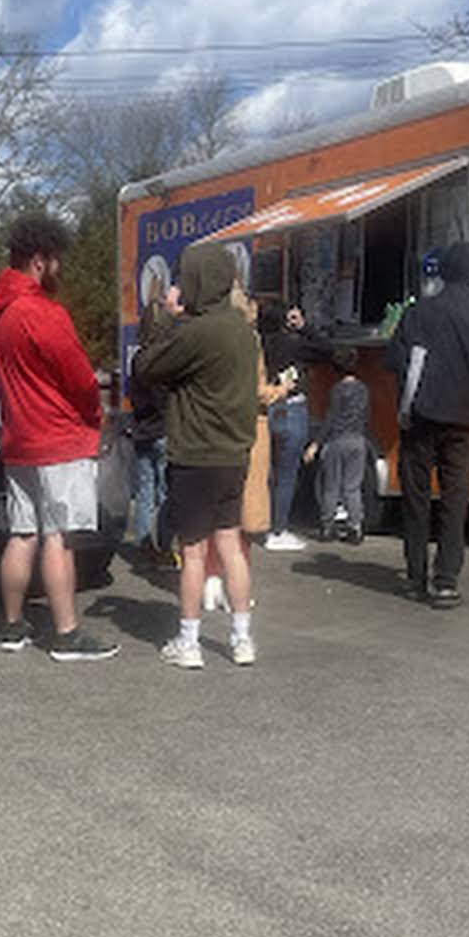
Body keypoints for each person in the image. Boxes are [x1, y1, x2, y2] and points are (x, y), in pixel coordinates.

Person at [0, 215, 119, 662]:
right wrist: (95, 415)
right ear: (40, 261)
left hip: (19, 438)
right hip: (58, 438)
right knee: (59, 537)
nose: (60, 269)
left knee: (22, 533)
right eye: (57, 260)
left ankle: (12, 625)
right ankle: (66, 633)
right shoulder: (42, 312)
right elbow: (80, 378)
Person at [133, 240, 259, 667]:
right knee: (231, 546)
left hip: (195, 456)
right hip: (234, 454)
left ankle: (189, 643)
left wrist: (168, 319)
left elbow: (147, 366)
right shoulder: (242, 330)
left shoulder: (197, 332)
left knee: (193, 552)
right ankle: (242, 638)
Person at [386, 240, 469, 608]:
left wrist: (406, 409)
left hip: (419, 420)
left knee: (415, 499)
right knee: (455, 501)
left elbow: (398, 366)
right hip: (463, 424)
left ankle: (415, 578)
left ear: (442, 272)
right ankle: (446, 582)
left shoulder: (417, 313)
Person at [203, 287, 291, 612]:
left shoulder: (210, 337)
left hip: (216, 432)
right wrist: (281, 390)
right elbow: (255, 391)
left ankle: (210, 581)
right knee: (245, 516)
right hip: (250, 431)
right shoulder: (248, 340)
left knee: (217, 512)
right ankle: (235, 590)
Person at [259, 301, 329, 552]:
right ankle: (277, 530)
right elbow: (326, 349)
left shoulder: (259, 343)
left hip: (267, 407)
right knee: (287, 474)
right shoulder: (293, 344)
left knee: (267, 472)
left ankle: (261, 521)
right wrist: (305, 326)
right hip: (291, 407)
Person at [304, 346, 370, 544]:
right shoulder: (363, 389)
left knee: (331, 486)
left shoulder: (338, 389)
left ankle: (327, 526)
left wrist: (316, 443)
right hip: (358, 440)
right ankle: (355, 528)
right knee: (353, 487)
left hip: (337, 441)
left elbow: (330, 418)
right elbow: (366, 416)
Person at [128, 291, 171, 566]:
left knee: (145, 493)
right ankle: (165, 548)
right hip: (164, 430)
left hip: (142, 430)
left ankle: (144, 546)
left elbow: (135, 395)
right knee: (166, 494)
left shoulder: (138, 358)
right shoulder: (166, 359)